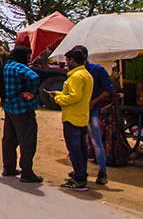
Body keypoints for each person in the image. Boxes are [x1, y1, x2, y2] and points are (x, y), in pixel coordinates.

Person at [0, 46, 43, 183]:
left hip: (8, 108)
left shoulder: (4, 68)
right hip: (23, 108)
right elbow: (34, 77)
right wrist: (30, 92)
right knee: (28, 140)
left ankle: (9, 168)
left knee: (9, 139)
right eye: (28, 57)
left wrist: (5, 93)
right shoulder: (20, 67)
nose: (29, 60)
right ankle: (26, 172)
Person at [50, 46, 94, 191]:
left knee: (74, 149)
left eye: (67, 59)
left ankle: (79, 180)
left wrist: (58, 97)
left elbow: (75, 96)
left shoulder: (76, 76)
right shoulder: (86, 74)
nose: (66, 62)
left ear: (72, 60)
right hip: (82, 116)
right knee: (81, 149)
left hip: (72, 117)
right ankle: (81, 174)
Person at [76, 45, 115, 185]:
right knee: (79, 141)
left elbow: (107, 91)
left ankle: (102, 171)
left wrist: (93, 102)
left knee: (95, 140)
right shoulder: (74, 71)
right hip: (77, 112)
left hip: (92, 110)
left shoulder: (97, 71)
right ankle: (80, 171)